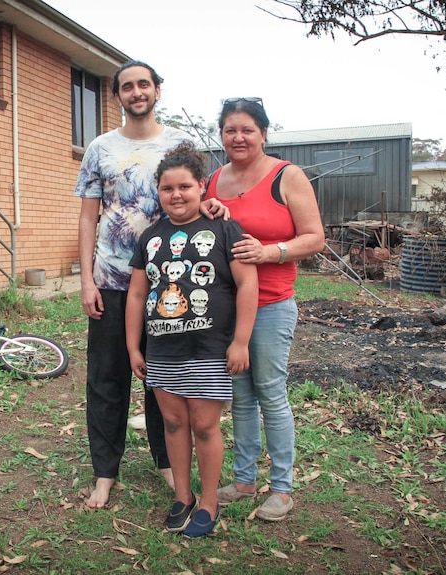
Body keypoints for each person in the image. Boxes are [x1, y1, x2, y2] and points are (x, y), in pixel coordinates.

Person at [74, 61, 227, 509]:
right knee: (106, 378)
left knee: (165, 378)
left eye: (144, 84)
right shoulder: (100, 148)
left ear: (157, 90)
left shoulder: (180, 143)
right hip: (111, 281)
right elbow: (87, 217)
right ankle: (105, 472)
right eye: (127, 86)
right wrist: (87, 280)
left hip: (169, 287)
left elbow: (200, 194)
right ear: (117, 95)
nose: (136, 92)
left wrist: (214, 204)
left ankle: (167, 462)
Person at [126, 142, 258, 537]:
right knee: (172, 422)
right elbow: (136, 294)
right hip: (163, 349)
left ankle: (209, 500)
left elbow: (246, 282)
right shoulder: (150, 236)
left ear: (202, 186)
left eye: (184, 186)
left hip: (208, 349)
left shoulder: (222, 227)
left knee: (204, 425)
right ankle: (182, 496)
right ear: (159, 193)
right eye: (167, 189)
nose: (176, 195)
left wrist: (241, 341)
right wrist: (134, 346)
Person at [205, 97, 325, 521]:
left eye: (247, 130)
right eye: (230, 130)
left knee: (270, 393)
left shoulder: (286, 176)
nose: (238, 137)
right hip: (227, 307)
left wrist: (270, 251)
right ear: (221, 135)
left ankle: (282, 488)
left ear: (264, 133)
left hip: (273, 304)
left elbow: (315, 238)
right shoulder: (213, 180)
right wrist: (210, 212)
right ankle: (242, 480)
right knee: (238, 396)